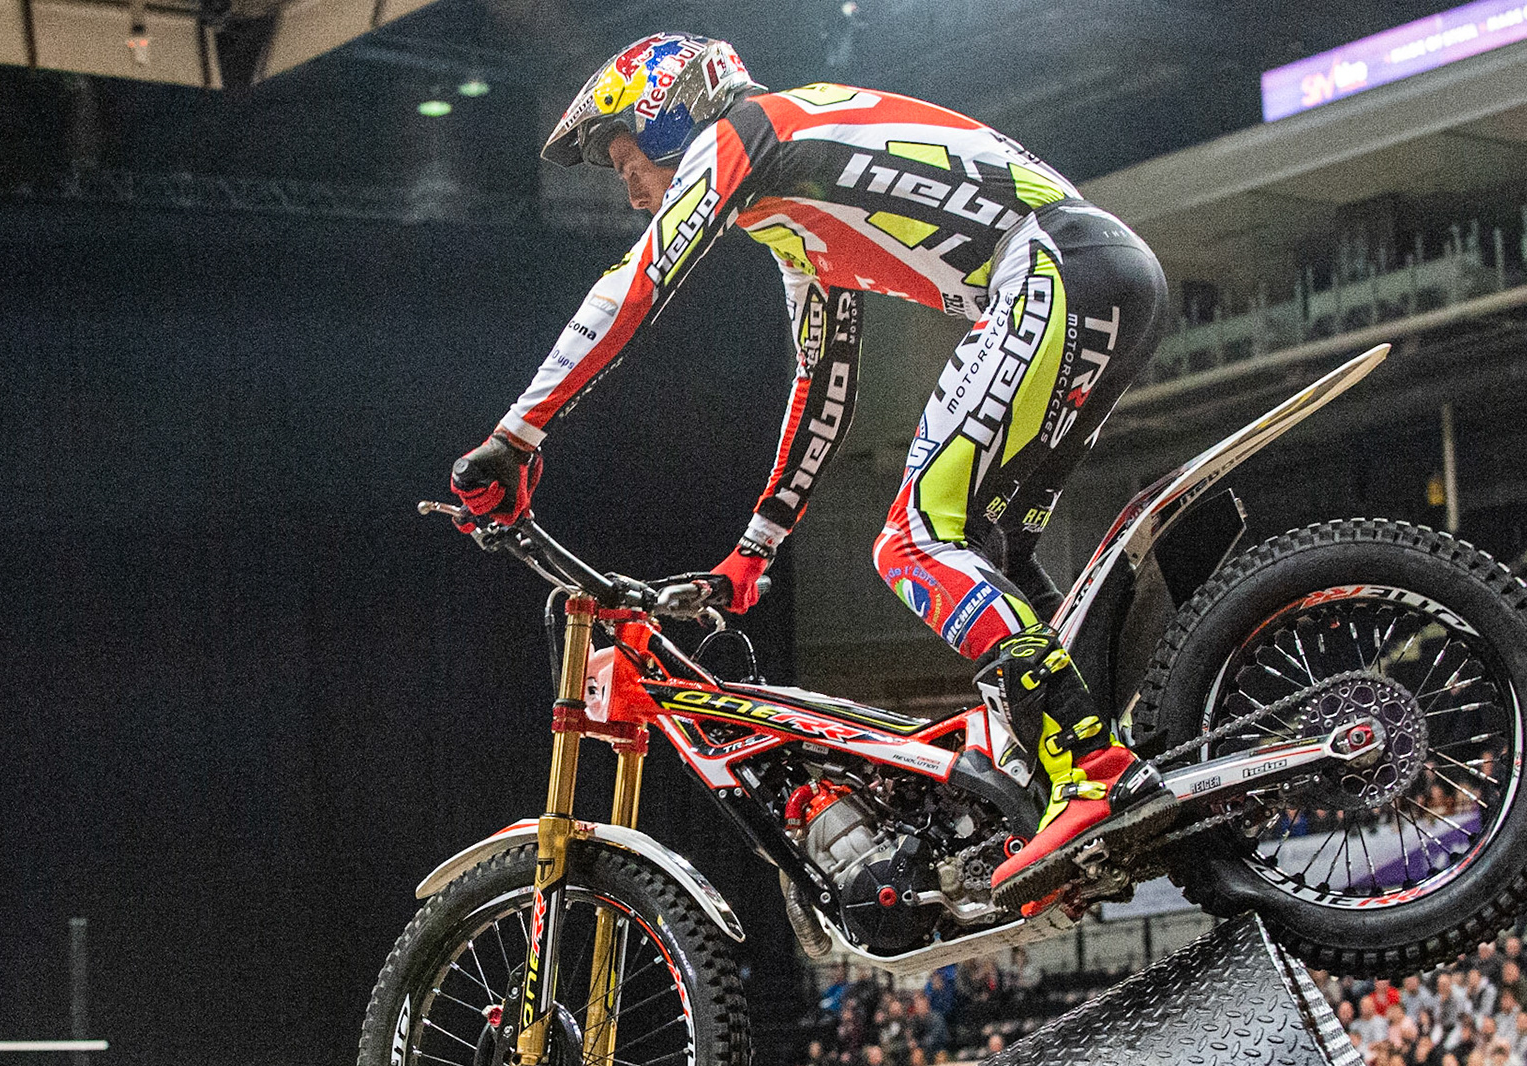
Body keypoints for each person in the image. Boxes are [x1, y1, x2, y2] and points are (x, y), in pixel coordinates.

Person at [449, 34, 1174, 907]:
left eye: (626, 160)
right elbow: (823, 386)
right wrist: (754, 550)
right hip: (1109, 273)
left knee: (912, 544)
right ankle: (1120, 757)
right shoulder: (795, 209)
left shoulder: (744, 134)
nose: (631, 189)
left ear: (667, 112)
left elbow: (635, 283)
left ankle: (1093, 768)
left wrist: (516, 436)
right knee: (991, 551)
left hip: (1051, 267)